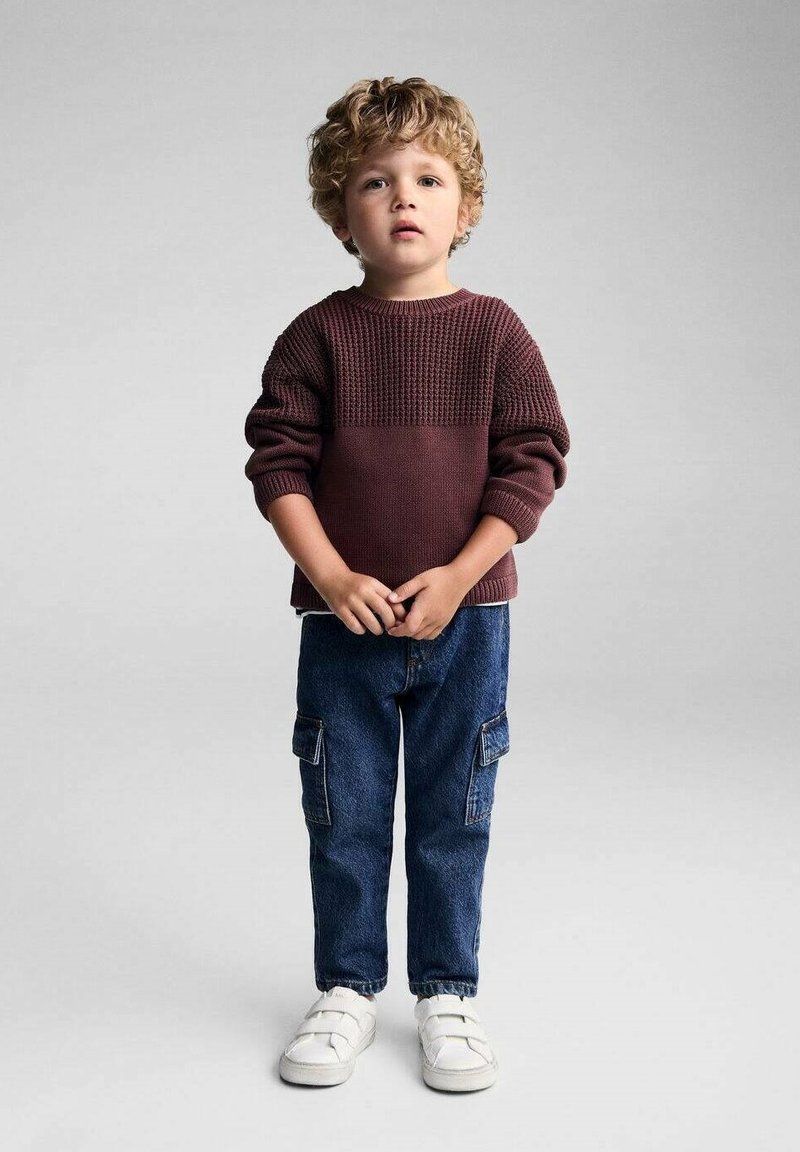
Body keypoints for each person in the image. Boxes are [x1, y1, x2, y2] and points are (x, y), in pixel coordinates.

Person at [243, 76, 570, 1092]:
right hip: (344, 626)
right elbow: (276, 465)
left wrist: (459, 575)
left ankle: (446, 994)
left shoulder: (495, 332)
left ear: (464, 209)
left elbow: (534, 459)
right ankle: (346, 988)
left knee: (452, 812)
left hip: (467, 620)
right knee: (342, 814)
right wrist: (330, 574)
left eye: (428, 179)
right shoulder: (317, 337)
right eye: (376, 182)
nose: (403, 199)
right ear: (340, 213)